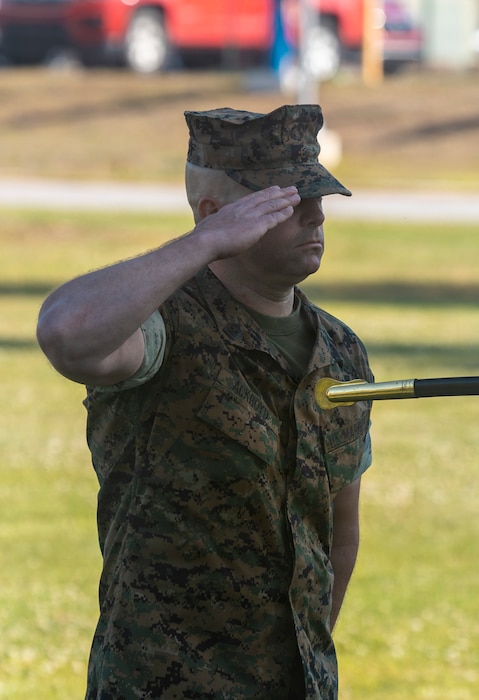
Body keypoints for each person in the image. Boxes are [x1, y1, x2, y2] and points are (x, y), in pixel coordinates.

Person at [36, 104, 373, 698]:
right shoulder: (160, 327)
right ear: (214, 214)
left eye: (317, 196)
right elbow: (67, 332)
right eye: (288, 202)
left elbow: (337, 531)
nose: (317, 214)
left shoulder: (341, 350)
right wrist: (203, 245)